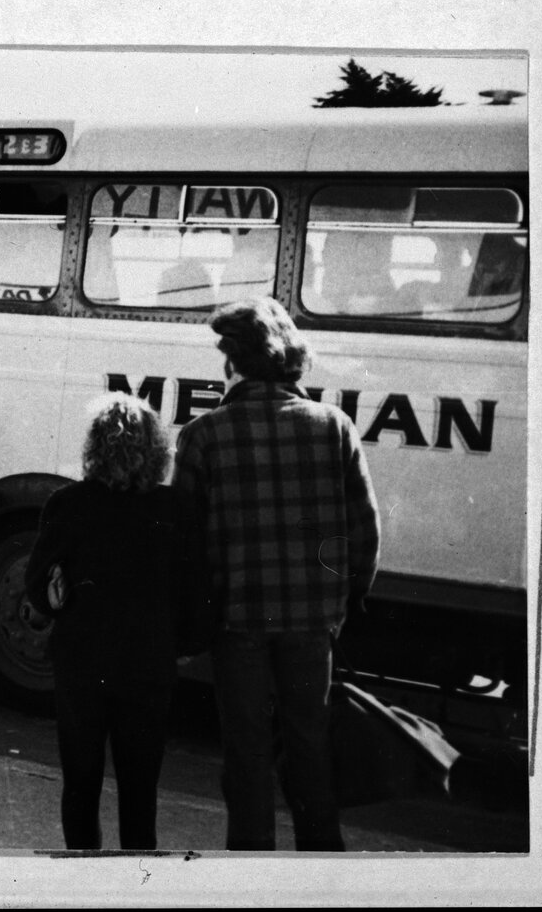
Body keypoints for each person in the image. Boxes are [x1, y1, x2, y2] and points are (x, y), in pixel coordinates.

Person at [172, 297, 381, 851]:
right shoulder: (333, 427)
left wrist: (195, 617)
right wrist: (343, 601)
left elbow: (183, 542)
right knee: (310, 747)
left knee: (246, 754)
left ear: (232, 363)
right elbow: (363, 531)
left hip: (238, 621)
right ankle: (320, 866)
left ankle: (251, 871)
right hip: (312, 621)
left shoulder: (203, 435)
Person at [24, 393, 206, 851]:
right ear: (156, 450)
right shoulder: (176, 508)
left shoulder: (67, 504)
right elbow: (196, 593)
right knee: (140, 787)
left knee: (80, 782)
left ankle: (83, 872)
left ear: (95, 448)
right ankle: (135, 882)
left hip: (82, 666)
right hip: (148, 667)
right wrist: (179, 644)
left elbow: (37, 591)